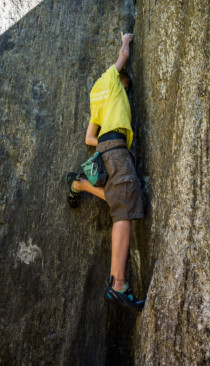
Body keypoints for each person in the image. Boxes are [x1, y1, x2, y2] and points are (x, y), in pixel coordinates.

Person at [67, 32, 145, 311]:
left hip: (106, 148)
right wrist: (126, 40)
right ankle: (118, 285)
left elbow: (89, 137)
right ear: (122, 83)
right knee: (124, 209)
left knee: (119, 197)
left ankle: (80, 185)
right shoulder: (112, 79)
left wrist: (104, 142)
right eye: (127, 88)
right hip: (117, 148)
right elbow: (122, 57)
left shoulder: (95, 97)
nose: (126, 93)